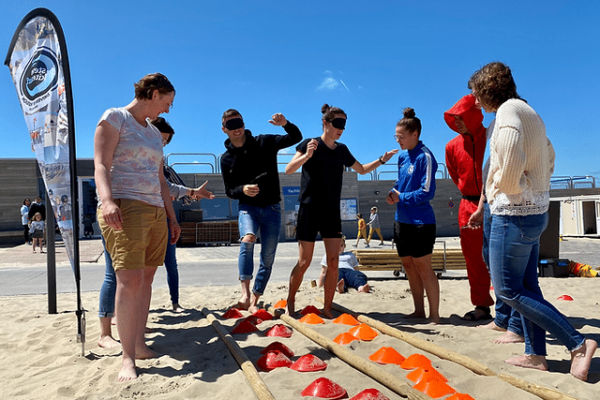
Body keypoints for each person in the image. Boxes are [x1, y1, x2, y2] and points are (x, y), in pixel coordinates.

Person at [468, 61, 596, 381]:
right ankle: (536, 354)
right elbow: (550, 155)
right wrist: (534, 187)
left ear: (488, 90)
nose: (475, 101)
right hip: (535, 211)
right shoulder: (529, 111)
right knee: (527, 285)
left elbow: (510, 157)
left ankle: (578, 344)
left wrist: (507, 188)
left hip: (513, 214)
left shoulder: (507, 113)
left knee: (509, 290)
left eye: (476, 94)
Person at [94, 72, 180, 382]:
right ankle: (127, 358)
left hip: (155, 209)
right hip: (125, 205)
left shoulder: (155, 133)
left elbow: (161, 180)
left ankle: (139, 345)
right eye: (167, 102)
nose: (168, 109)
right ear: (154, 93)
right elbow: (101, 164)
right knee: (128, 280)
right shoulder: (115, 117)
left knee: (145, 280)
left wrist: (171, 217)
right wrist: (107, 200)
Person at [285, 103, 398, 318]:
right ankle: (290, 300)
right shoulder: (310, 144)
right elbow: (289, 169)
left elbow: (362, 170)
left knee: (334, 261)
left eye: (344, 125)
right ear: (325, 123)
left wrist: (382, 160)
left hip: (331, 211)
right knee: (304, 262)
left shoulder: (342, 150)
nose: (341, 129)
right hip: (309, 209)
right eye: (337, 123)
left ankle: (327, 307)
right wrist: (307, 155)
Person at [221, 110, 302, 313]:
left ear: (244, 123)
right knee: (247, 239)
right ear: (224, 130)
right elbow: (229, 190)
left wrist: (285, 124)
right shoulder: (226, 159)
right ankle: (245, 294)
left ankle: (255, 298)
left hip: (272, 208)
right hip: (247, 208)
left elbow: (296, 137)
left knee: (268, 257)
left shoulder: (264, 142)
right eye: (231, 125)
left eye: (239, 123)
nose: (236, 128)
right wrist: (242, 189)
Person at [153, 116, 214, 312]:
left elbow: (176, 191)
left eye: (165, 141)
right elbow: (168, 189)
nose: (162, 144)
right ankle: (130, 310)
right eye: (160, 138)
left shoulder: (165, 168)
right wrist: (190, 192)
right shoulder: (138, 158)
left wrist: (193, 193)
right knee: (141, 268)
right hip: (145, 216)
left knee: (170, 262)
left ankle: (175, 302)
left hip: (165, 217)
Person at [444, 94, 494, 321]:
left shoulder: (492, 137)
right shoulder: (452, 146)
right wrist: (471, 195)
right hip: (467, 205)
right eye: (454, 118)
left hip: (494, 203)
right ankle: (481, 305)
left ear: (473, 115)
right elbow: (455, 175)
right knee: (473, 260)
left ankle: (509, 307)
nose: (457, 122)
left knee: (499, 257)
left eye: (461, 117)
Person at [386, 107, 439, 324]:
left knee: (424, 268)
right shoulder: (402, 157)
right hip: (401, 220)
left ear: (415, 134)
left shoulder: (425, 156)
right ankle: (419, 311)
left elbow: (427, 192)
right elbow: (401, 184)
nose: (398, 140)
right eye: (396, 137)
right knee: (408, 266)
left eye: (401, 137)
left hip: (421, 222)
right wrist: (393, 193)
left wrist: (402, 197)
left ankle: (434, 315)